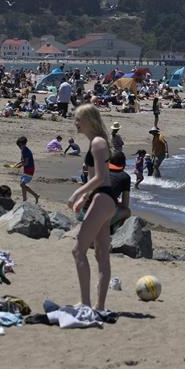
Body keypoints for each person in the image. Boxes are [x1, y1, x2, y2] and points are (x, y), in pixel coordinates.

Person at [67, 103, 117, 310]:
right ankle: (100, 306)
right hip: (103, 199)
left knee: (79, 251)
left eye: (79, 119)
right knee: (101, 256)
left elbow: (99, 177)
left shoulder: (97, 143)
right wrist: (84, 198)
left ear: (90, 120)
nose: (75, 123)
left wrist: (77, 193)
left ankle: (87, 303)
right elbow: (98, 179)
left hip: (103, 198)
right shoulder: (96, 142)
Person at [106, 151, 133, 232]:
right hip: (100, 218)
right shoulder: (125, 177)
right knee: (127, 211)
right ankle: (116, 232)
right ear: (124, 164)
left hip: (85, 214)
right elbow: (125, 204)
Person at [13, 136, 39, 203]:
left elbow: (26, 163)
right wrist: (17, 164)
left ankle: (35, 195)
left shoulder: (26, 151)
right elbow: (23, 161)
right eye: (18, 146)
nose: (19, 147)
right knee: (22, 185)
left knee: (22, 184)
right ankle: (24, 199)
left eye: (20, 145)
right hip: (26, 169)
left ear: (24, 144)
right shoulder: (23, 150)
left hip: (30, 169)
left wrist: (20, 166)